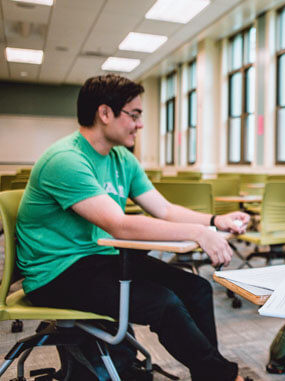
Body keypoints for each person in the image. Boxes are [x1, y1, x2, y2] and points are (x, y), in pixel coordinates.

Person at [16, 74, 250, 381]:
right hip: (55, 274)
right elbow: (119, 226)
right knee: (163, 303)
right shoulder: (66, 160)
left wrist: (213, 222)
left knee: (196, 288)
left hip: (96, 260)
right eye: (134, 115)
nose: (140, 124)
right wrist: (197, 234)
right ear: (105, 113)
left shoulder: (122, 158)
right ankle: (222, 378)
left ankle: (210, 375)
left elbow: (163, 209)